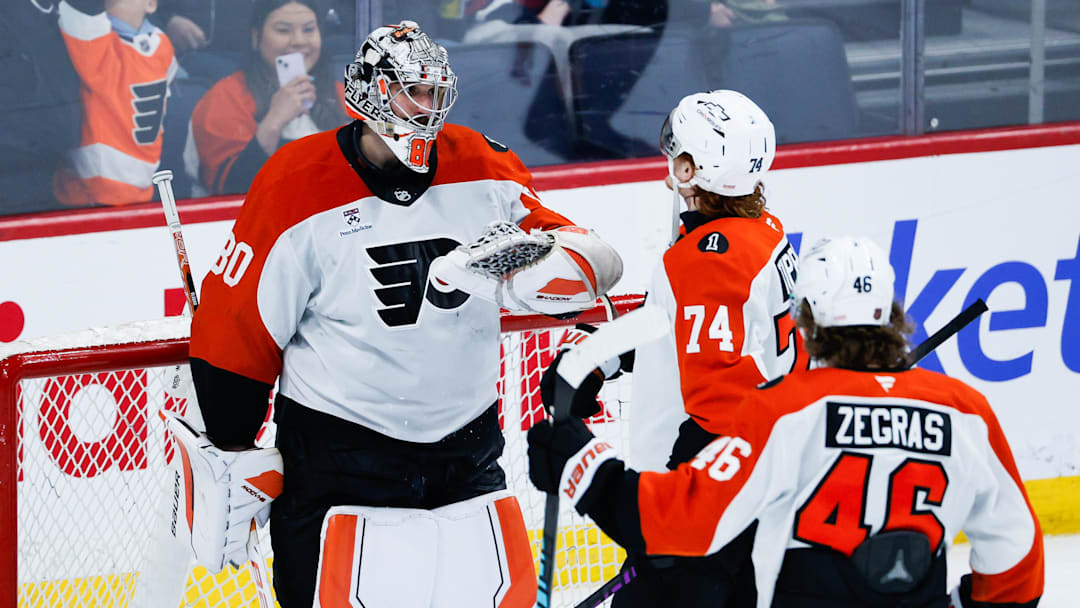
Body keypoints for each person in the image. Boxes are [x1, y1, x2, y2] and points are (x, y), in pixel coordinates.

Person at [185, 20, 622, 608]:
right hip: (343, 459)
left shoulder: (484, 166)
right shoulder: (294, 183)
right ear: (368, 95)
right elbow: (238, 328)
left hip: (467, 452)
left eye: (435, 93)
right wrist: (233, 439)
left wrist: (567, 263)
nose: (426, 107)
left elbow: (578, 250)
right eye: (410, 91)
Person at [528, 236, 1046, 607]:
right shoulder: (964, 410)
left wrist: (580, 458)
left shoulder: (783, 410)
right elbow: (1017, 559)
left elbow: (681, 522)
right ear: (890, 311)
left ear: (808, 319)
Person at [542, 89, 799, 606]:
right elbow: (688, 331)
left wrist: (671, 517)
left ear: (691, 170)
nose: (668, 154)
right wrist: (600, 354)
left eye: (676, 148)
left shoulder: (708, 259)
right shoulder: (759, 232)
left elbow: (721, 411)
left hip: (704, 511)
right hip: (755, 496)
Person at [185, 0, 348, 196]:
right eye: (283, 30)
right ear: (256, 38)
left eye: (309, 30)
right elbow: (233, 188)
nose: (299, 41)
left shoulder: (341, 94)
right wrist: (274, 121)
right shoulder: (224, 98)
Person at [52, 0, 177, 207]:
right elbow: (84, 11)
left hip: (136, 188)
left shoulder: (162, 45)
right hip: (89, 192)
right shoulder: (94, 41)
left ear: (151, 4)